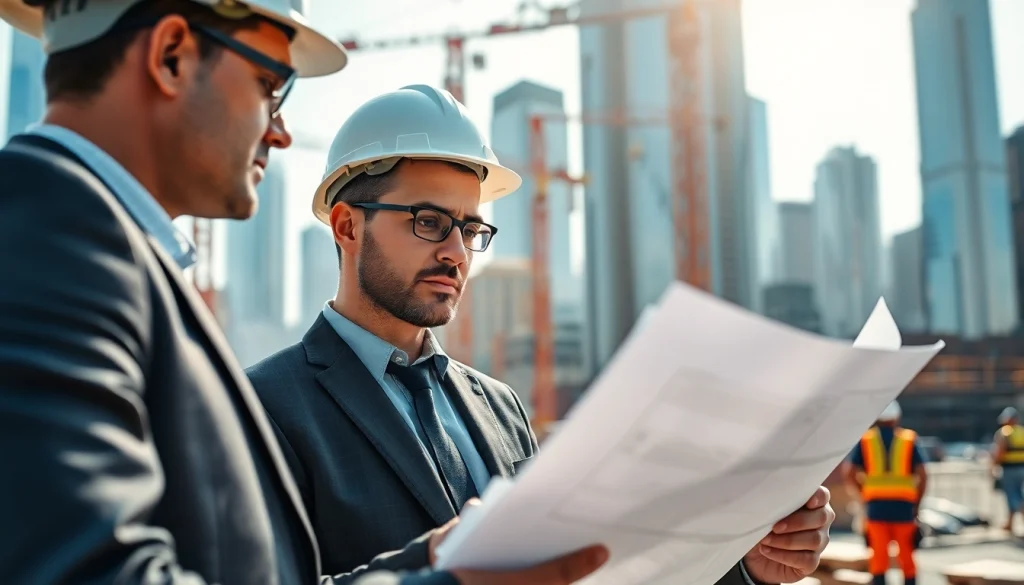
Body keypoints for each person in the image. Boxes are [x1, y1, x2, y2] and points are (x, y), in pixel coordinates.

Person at [0, 1, 608, 584]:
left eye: (470, 229)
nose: (283, 131)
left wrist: (428, 562)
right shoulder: (43, 242)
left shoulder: (99, 254)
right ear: (171, 56)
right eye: (270, 86)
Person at [247, 84, 836, 585]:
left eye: (471, 228)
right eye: (429, 222)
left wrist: (747, 564)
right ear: (349, 225)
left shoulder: (500, 407)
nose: (456, 252)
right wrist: (438, 570)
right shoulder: (261, 407)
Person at [843, 401, 927, 585]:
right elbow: (923, 474)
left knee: (878, 557)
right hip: (904, 509)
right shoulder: (908, 439)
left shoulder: (866, 440)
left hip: (876, 508)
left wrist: (863, 494)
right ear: (896, 417)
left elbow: (849, 473)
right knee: (907, 556)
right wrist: (917, 506)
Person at [992, 406, 1024, 534]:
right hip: (1022, 467)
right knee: (1017, 494)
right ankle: (1010, 523)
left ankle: (1012, 521)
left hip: (1009, 468)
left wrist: (994, 465)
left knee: (1013, 496)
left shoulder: (1005, 432)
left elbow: (1000, 451)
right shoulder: (1022, 432)